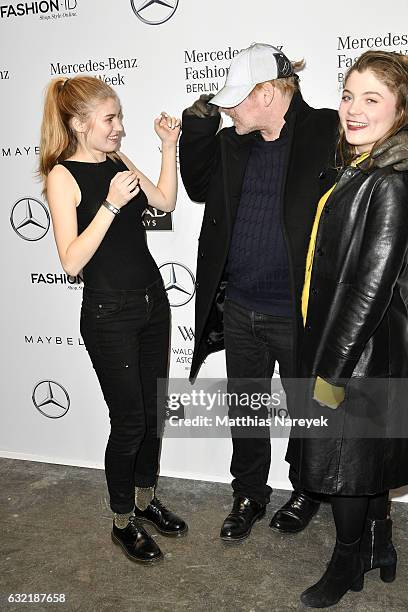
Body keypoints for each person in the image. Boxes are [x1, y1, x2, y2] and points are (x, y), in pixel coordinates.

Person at [179, 43, 408, 542]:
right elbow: (196, 186)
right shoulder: (231, 142)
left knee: (311, 409)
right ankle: (248, 492)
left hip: (302, 311)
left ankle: (305, 488)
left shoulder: (329, 129)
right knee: (246, 406)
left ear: (268, 94)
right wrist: (198, 124)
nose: (228, 109)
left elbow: (371, 176)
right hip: (239, 306)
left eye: (238, 99)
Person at [39, 75, 187, 564]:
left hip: (152, 303)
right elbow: (71, 261)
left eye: (120, 117)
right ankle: (122, 522)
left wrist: (169, 147)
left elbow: (163, 202)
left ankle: (146, 504)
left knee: (153, 416)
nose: (120, 128)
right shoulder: (62, 176)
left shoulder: (119, 162)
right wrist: (108, 205)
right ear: (80, 124)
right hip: (109, 314)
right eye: (110, 119)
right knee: (129, 424)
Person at [290, 50, 408, 607]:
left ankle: (348, 559)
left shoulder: (388, 182)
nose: (353, 110)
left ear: (400, 111)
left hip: (359, 351)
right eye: (347, 95)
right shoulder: (363, 168)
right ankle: (381, 543)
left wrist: (330, 372)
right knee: (369, 456)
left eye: (372, 100)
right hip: (359, 344)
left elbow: (369, 287)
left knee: (343, 463)